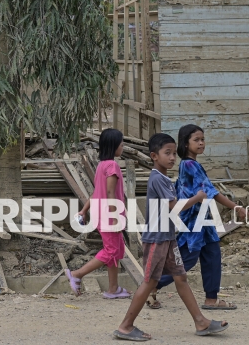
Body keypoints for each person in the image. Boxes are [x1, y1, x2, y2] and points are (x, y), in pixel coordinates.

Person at [114, 133, 229, 341]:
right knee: (149, 282)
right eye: (167, 153)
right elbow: (174, 208)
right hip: (157, 239)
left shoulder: (165, 179)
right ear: (154, 156)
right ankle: (125, 326)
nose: (172, 157)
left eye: (174, 153)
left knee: (181, 277)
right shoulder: (158, 178)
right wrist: (198, 197)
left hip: (168, 238)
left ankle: (201, 322)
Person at [149, 124, 247, 310]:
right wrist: (236, 207)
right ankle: (152, 285)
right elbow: (210, 192)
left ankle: (212, 299)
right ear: (186, 144)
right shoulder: (190, 164)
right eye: (196, 140)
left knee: (212, 254)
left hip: (203, 218)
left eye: (203, 139)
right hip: (194, 220)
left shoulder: (190, 164)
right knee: (187, 259)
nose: (201, 143)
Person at [65, 128, 129, 299]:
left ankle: (113, 289)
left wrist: (84, 210)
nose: (123, 146)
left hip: (101, 214)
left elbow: (96, 193)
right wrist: (115, 217)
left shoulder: (102, 166)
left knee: (115, 251)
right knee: (111, 251)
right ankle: (77, 274)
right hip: (110, 215)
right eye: (121, 144)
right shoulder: (112, 166)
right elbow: (109, 194)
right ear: (114, 145)